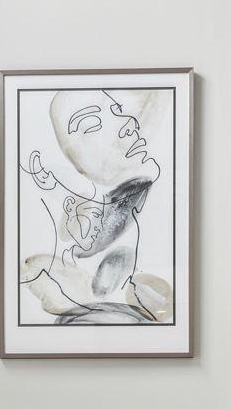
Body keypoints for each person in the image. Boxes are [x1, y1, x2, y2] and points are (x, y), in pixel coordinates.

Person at [18, 89, 173, 324]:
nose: (128, 124)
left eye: (119, 112)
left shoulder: (149, 207)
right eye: (91, 125)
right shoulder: (83, 225)